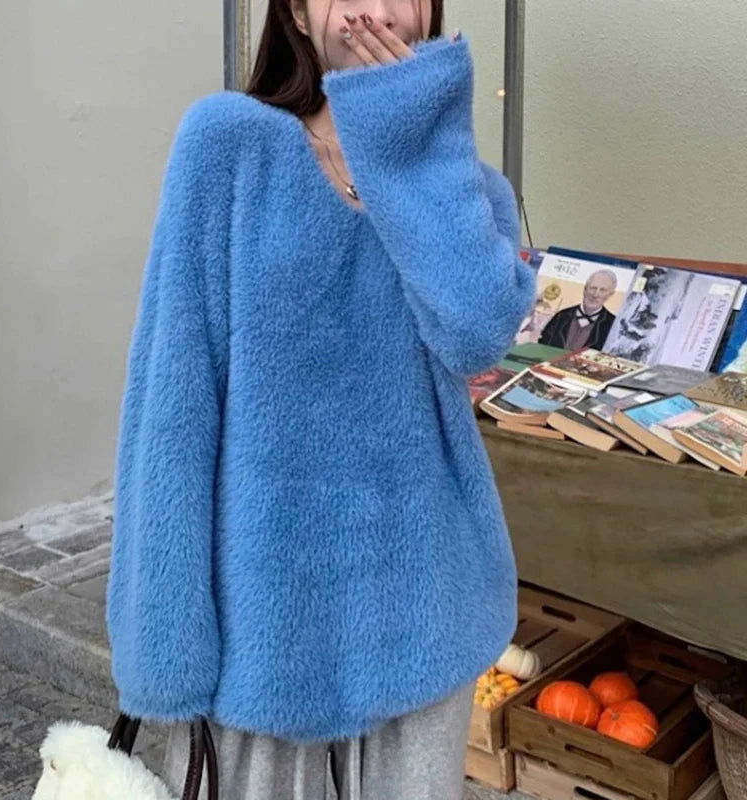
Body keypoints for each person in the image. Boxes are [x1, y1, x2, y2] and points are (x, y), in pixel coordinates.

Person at [104, 1, 537, 798]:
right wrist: (164, 644)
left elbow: (475, 334)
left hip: (423, 617)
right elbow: (172, 399)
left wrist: (409, 145)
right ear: (298, 15)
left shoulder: (470, 191)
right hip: (266, 635)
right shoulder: (229, 145)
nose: (373, 10)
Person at [538, 269, 618, 351]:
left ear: (610, 295)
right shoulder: (561, 316)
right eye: (593, 288)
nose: (595, 294)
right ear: (585, 289)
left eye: (602, 290)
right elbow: (541, 346)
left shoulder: (613, 325)